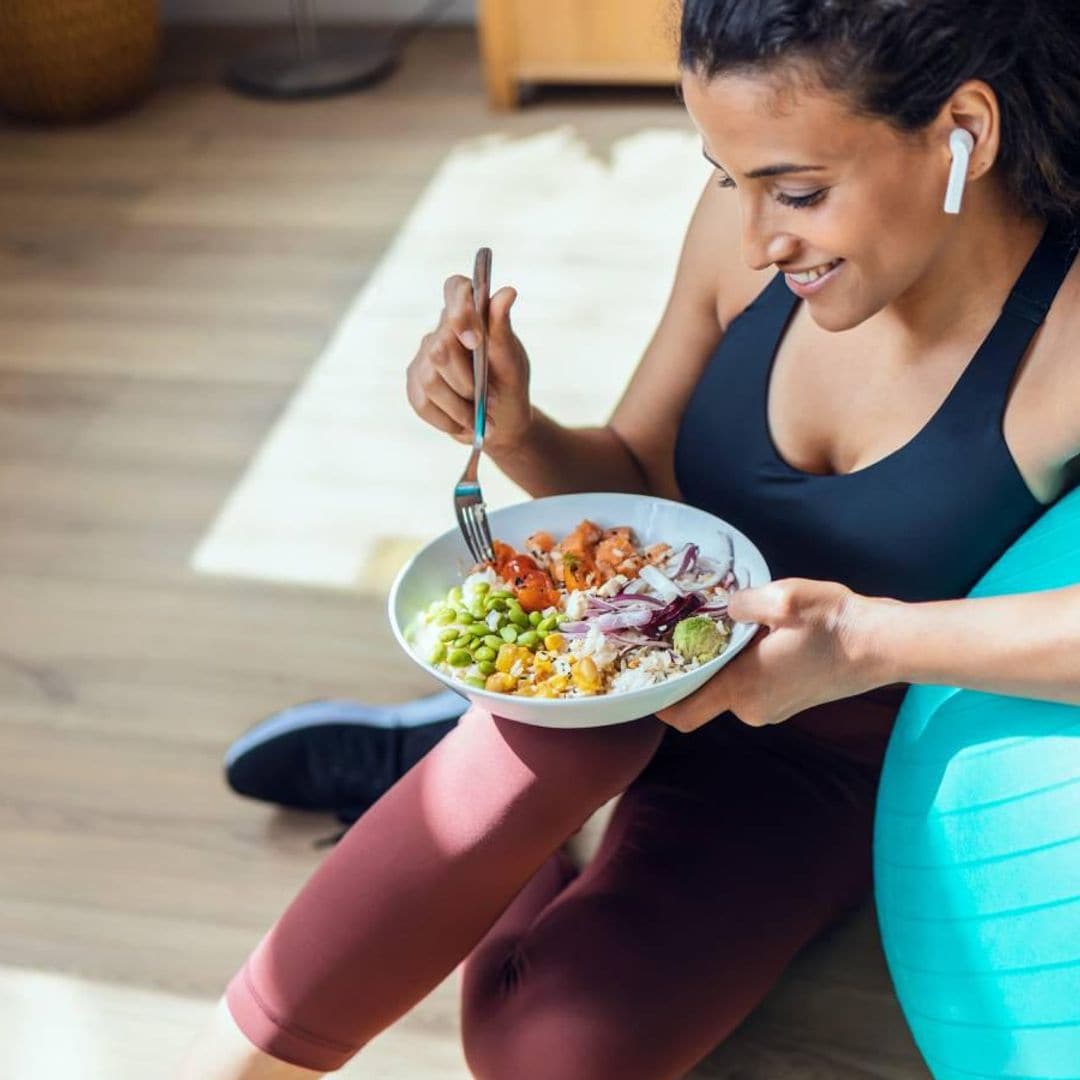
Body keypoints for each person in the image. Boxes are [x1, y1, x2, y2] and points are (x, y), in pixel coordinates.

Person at [181, 1, 1080, 1076]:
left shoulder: (1066, 332)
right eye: (724, 176)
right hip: (630, 671)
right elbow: (640, 484)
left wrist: (863, 643)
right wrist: (518, 430)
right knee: (582, 731)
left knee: (544, 1057)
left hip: (824, 765)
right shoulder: (742, 234)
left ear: (963, 128)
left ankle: (454, 774)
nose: (753, 240)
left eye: (796, 191)